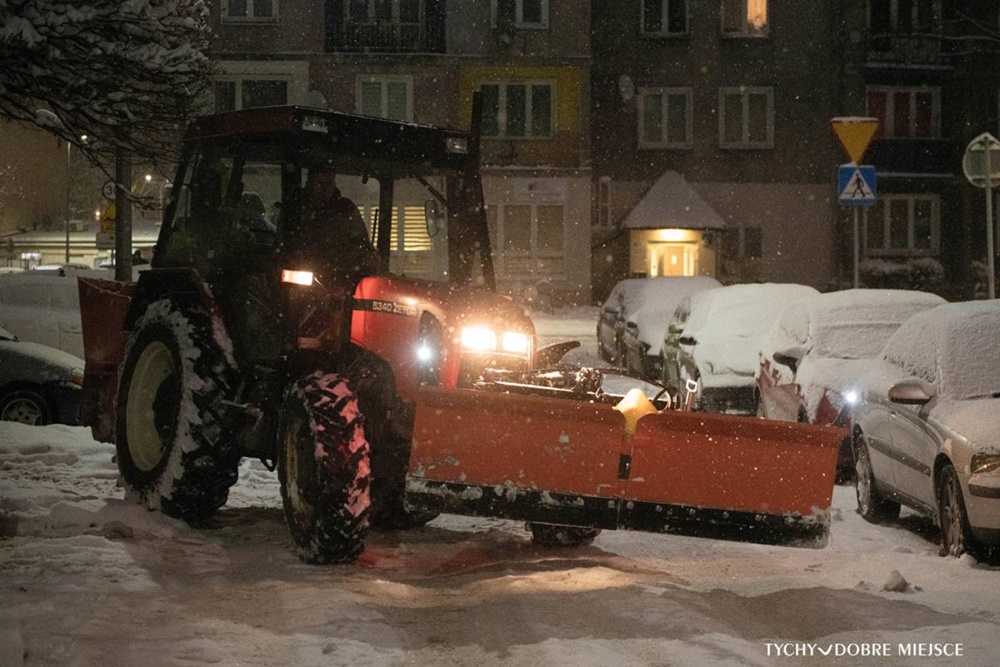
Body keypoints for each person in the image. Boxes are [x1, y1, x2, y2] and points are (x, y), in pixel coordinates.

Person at [301, 169, 378, 276]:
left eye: (330, 184)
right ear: (309, 184)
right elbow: (287, 242)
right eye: (320, 183)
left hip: (343, 272)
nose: (325, 189)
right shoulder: (296, 209)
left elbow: (361, 240)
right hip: (305, 269)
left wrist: (368, 255)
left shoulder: (346, 209)